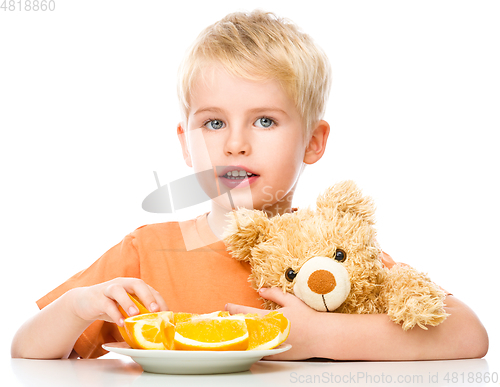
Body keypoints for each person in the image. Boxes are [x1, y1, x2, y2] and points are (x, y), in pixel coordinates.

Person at [11, 10, 488, 361]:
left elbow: (468, 334)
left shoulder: (336, 253)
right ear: (186, 144)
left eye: (264, 120)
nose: (235, 144)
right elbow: (26, 351)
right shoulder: (147, 253)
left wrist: (319, 336)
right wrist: (76, 308)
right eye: (213, 123)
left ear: (313, 142)